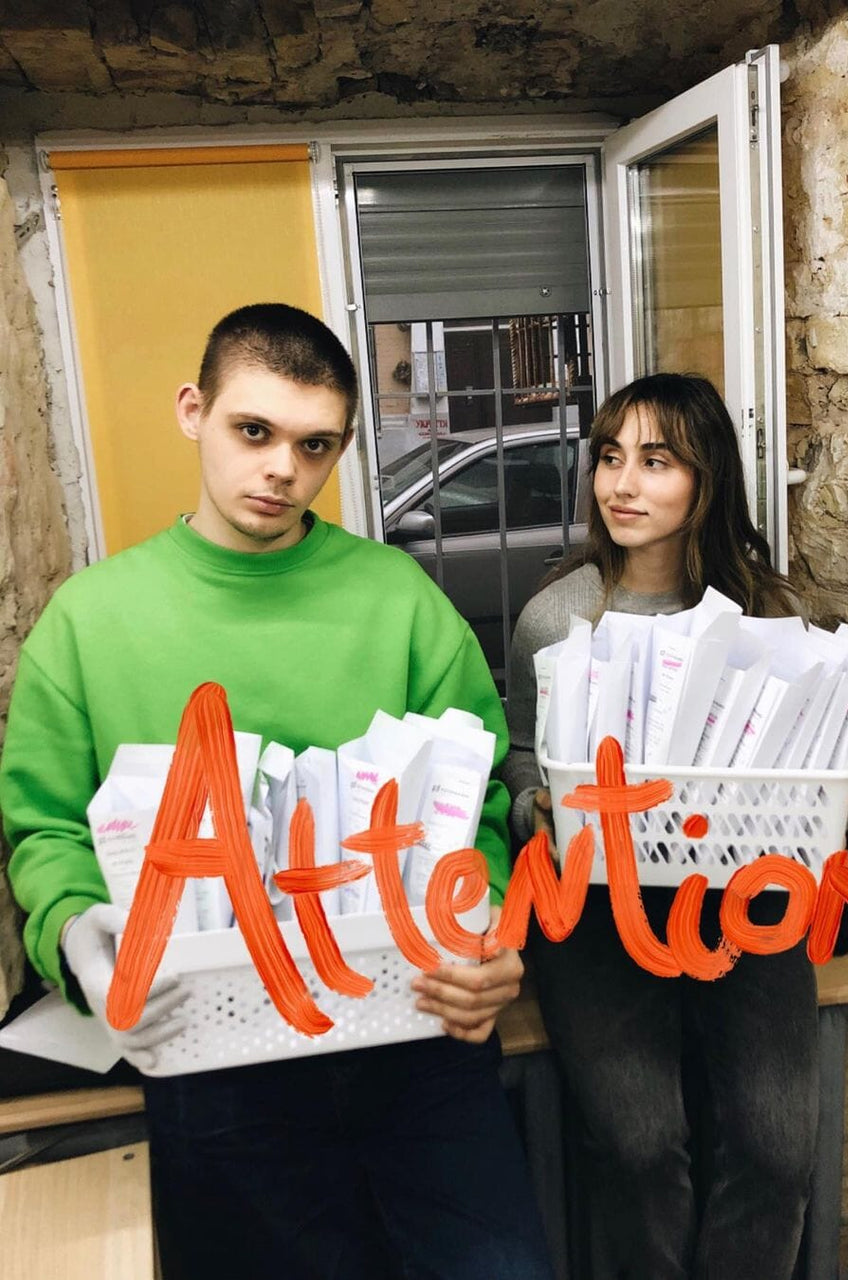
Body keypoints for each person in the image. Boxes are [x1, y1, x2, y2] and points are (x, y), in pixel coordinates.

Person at [0, 303, 555, 1280]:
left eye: (314, 445)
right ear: (193, 411)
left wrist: (488, 927)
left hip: (413, 1032)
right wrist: (79, 932)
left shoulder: (400, 601)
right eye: (252, 430)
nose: (281, 469)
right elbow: (44, 828)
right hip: (214, 1056)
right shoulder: (87, 623)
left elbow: (472, 808)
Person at [503, 373, 817, 1280]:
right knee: (640, 1150)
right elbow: (518, 752)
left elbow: (813, 760)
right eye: (610, 458)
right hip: (598, 914)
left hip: (745, 906)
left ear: (706, 478)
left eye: (655, 461)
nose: (622, 484)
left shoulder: (770, 615)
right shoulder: (555, 616)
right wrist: (535, 808)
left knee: (777, 1152)